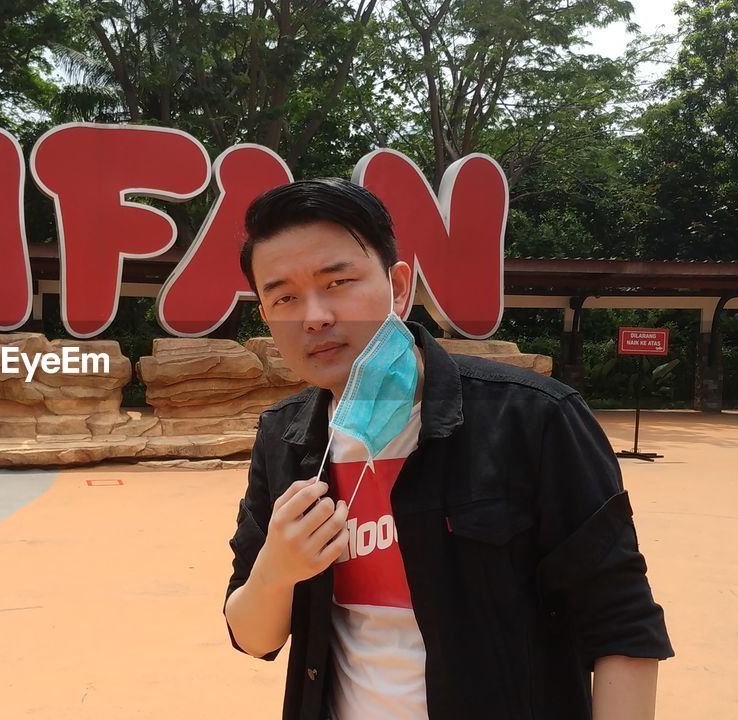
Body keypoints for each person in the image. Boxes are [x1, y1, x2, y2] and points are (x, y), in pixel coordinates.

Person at [223, 178, 673, 720]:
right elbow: (251, 637)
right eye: (285, 296)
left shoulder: (533, 419)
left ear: (398, 286)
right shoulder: (284, 437)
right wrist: (276, 570)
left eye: (337, 281)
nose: (314, 315)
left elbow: (621, 624)